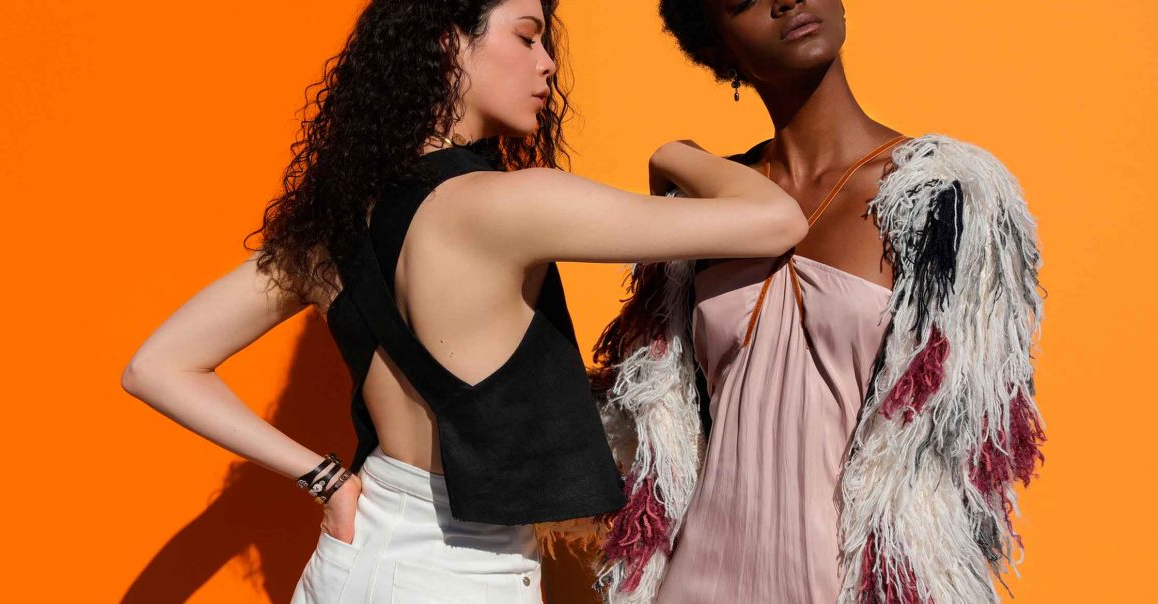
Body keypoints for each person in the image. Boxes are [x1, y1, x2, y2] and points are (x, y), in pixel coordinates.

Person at [121, 0, 806, 601]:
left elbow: (157, 365)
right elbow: (776, 220)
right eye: (526, 36)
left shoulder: (333, 227)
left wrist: (327, 479)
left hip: (355, 556)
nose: (547, 64)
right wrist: (675, 154)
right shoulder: (514, 203)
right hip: (461, 572)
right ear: (448, 43)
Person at [593, 1, 1046, 603]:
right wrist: (675, 156)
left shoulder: (943, 198)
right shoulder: (708, 203)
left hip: (855, 587)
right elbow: (651, 418)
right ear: (714, 46)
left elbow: (962, 443)